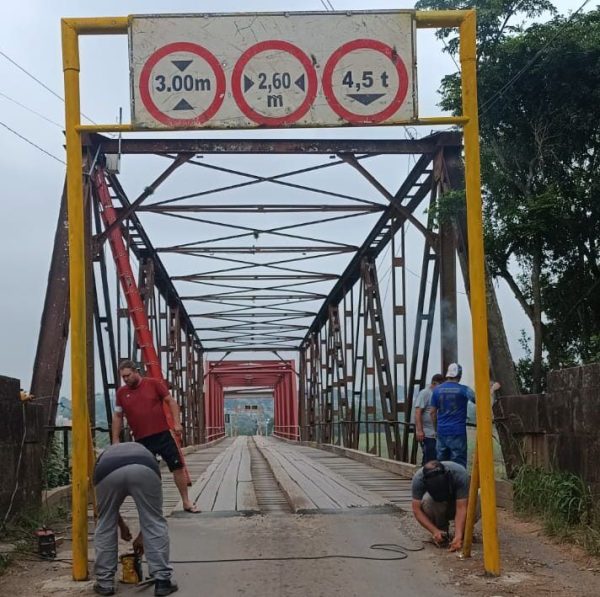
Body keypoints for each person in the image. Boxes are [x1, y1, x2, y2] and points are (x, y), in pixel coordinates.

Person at [112, 360, 199, 512]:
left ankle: (186, 501)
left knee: (178, 467)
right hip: (141, 440)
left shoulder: (153, 384)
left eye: (128, 375)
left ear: (136, 371)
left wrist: (177, 424)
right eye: (123, 377)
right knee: (147, 473)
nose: (125, 379)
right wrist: (115, 439)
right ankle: (151, 506)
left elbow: (171, 402)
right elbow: (118, 416)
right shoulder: (121, 393)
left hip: (162, 434)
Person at [93, 442, 178, 596]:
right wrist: (137, 533)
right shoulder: (145, 451)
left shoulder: (103, 456)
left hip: (107, 471)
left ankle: (105, 583)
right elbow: (151, 516)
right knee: (154, 521)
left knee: (105, 523)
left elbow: (106, 511)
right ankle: (162, 581)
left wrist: (122, 526)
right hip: (145, 468)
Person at [411, 459, 470, 552]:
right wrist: (434, 531)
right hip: (438, 504)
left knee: (478, 497)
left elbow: (461, 507)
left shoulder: (459, 474)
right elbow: (416, 510)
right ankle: (441, 532)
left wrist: (458, 535)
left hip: (456, 502)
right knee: (427, 501)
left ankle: (465, 531)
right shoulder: (418, 479)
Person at [430, 363, 475, 468]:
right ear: (459, 375)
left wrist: (436, 429)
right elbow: (478, 400)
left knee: (441, 465)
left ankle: (442, 483)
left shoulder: (436, 390)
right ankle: (458, 484)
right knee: (458, 465)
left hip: (442, 432)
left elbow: (432, 412)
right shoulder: (464, 389)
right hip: (458, 432)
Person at [414, 373, 445, 465]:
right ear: (434, 383)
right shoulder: (425, 393)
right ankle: (427, 477)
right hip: (427, 433)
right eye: (440, 385)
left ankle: (426, 477)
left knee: (432, 458)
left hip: (435, 433)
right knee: (430, 459)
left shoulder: (436, 394)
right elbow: (417, 412)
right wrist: (419, 431)